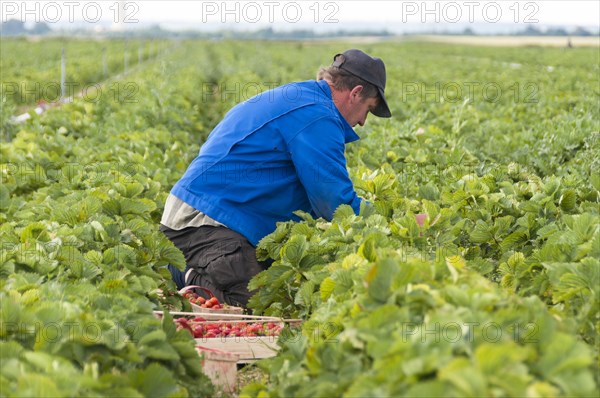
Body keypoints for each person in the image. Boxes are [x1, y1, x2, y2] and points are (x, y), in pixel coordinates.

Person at [160, 49, 392, 307]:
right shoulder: (316, 115)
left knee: (276, 289)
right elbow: (335, 203)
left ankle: (190, 266)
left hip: (210, 218)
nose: (362, 122)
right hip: (201, 224)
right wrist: (388, 223)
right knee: (254, 303)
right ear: (356, 92)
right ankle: (184, 273)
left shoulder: (302, 99)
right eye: (368, 110)